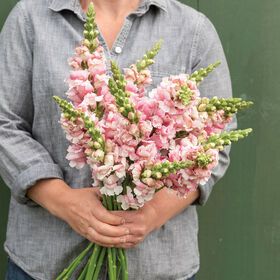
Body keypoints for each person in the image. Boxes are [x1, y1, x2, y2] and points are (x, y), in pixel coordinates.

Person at [0, 0, 235, 279]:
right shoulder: (30, 18)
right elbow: (6, 124)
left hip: (156, 267)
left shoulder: (193, 30)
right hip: (46, 263)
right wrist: (62, 200)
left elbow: (215, 143)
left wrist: (152, 214)